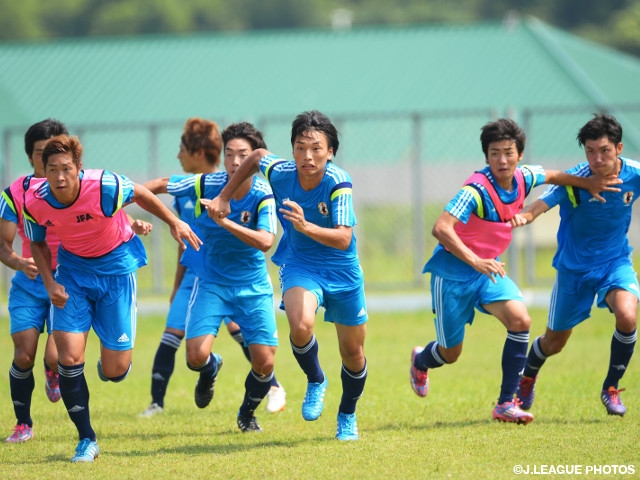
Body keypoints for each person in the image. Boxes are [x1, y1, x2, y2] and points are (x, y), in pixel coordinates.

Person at [409, 118, 621, 424]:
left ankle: (506, 403)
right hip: (453, 274)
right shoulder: (474, 189)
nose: (502, 160)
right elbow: (441, 228)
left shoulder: (525, 176)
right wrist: (476, 260)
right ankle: (421, 360)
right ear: (486, 156)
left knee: (521, 320)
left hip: (488, 271)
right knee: (450, 353)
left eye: (508, 152)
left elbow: (553, 175)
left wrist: (587, 183)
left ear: (519, 154)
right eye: (494, 153)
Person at [22, 134, 201, 462]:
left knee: (117, 370)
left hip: (117, 273)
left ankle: (113, 364)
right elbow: (37, 243)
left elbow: (143, 194)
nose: (59, 177)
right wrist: (50, 284)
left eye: (66, 168)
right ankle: (86, 439)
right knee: (69, 357)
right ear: (43, 171)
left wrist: (174, 222)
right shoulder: (35, 201)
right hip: (73, 275)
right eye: (52, 169)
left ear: (78, 168)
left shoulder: (104, 185)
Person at [206, 110, 368, 441]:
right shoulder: (281, 173)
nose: (307, 156)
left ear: (330, 151)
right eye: (300, 147)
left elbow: (344, 238)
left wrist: (306, 225)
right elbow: (256, 156)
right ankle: (316, 379)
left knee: (353, 353)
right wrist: (224, 196)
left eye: (316, 148)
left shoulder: (338, 182)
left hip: (343, 270)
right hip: (300, 263)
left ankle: (347, 415)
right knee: (300, 324)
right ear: (292, 149)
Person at [139, 119, 286, 418]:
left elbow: (266, 242)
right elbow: (166, 184)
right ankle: (208, 370)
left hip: (252, 286)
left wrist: (225, 222)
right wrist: (121, 198)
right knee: (195, 356)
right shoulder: (208, 182)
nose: (234, 161)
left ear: (256, 157)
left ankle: (248, 412)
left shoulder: (263, 194)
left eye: (243, 155)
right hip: (210, 283)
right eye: (229, 154)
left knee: (264, 362)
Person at [516, 114, 638, 417]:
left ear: (619, 148)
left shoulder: (634, 174)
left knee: (627, 314)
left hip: (615, 262)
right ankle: (527, 377)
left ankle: (611, 387)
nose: (597, 158)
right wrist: (522, 217)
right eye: (590, 151)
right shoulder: (575, 179)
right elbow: (538, 206)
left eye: (604, 151)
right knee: (554, 342)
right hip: (574, 270)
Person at [0, 119, 67, 443]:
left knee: (56, 355)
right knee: (24, 354)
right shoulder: (16, 192)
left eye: (57, 150)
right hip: (29, 283)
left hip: (67, 283)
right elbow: (3, 243)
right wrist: (16, 261)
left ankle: (53, 370)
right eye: (42, 153)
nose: (50, 159)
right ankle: (23, 423)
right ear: (31, 157)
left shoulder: (79, 188)